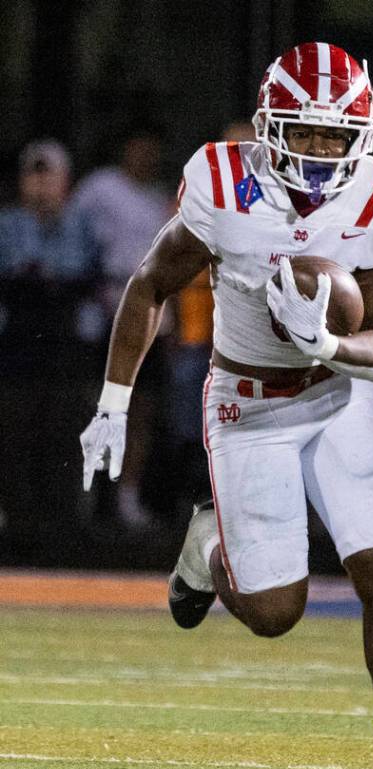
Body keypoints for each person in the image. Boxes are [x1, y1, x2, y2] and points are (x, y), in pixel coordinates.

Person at [78, 42, 373, 769]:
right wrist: (113, 400)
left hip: (341, 395)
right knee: (276, 612)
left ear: (361, 137)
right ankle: (205, 545)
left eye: (332, 135)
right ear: (268, 126)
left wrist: (328, 342)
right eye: (302, 132)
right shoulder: (220, 180)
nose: (316, 150)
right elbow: (150, 285)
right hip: (248, 403)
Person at [0, 140, 100, 559]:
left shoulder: (79, 224)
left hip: (64, 348)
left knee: (66, 439)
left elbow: (84, 277)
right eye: (33, 176)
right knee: (16, 439)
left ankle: (65, 535)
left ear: (66, 182)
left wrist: (44, 282)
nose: (41, 185)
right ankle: (17, 534)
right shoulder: (8, 224)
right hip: (17, 348)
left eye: (49, 176)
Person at [71, 125, 174, 529]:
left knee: (142, 412)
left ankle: (127, 497)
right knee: (96, 407)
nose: (145, 157)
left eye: (152, 150)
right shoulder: (100, 188)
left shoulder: (160, 200)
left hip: (152, 320)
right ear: (126, 149)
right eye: (139, 147)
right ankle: (87, 496)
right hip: (106, 317)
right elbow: (74, 236)